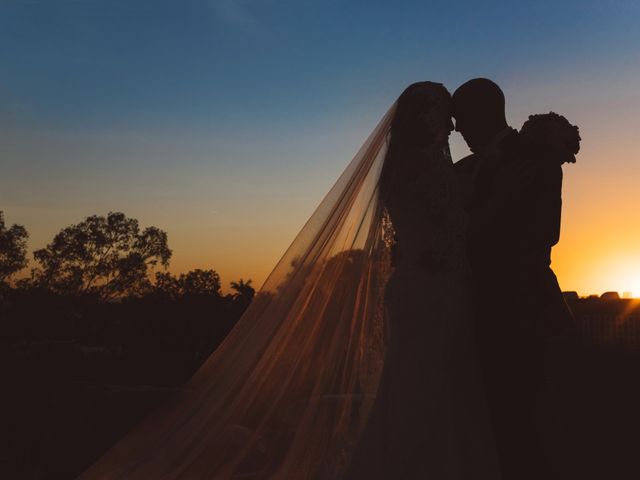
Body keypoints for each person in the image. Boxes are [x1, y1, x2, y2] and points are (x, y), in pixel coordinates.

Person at [78, 82, 499, 479]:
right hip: (432, 292)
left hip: (426, 288)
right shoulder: (422, 173)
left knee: (423, 387)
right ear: (428, 118)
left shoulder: (405, 170)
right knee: (427, 387)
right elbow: (450, 230)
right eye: (447, 116)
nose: (453, 126)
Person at [452, 78, 576, 480]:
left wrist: (486, 221)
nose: (459, 130)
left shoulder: (537, 157)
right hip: (477, 311)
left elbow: (545, 231)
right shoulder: (465, 168)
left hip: (524, 310)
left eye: (463, 118)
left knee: (530, 426)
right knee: (495, 425)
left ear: (487, 110)